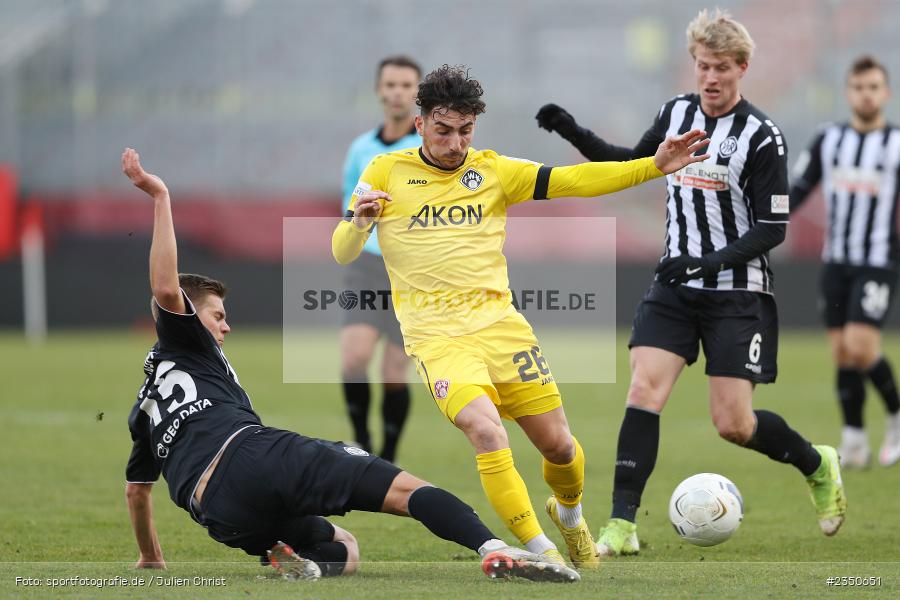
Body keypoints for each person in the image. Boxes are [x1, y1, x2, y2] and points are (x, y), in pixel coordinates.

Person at [120, 147, 579, 584]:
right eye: (218, 315)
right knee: (406, 491)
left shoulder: (142, 408)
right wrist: (160, 197)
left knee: (345, 549)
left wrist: (151, 557)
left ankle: (293, 558)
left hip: (219, 515)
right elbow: (164, 289)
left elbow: (137, 492)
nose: (225, 327)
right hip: (250, 455)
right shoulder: (186, 340)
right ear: (187, 314)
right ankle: (496, 548)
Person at [332, 64, 709, 569]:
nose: (455, 143)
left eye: (465, 131)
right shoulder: (384, 172)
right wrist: (359, 223)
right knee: (487, 432)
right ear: (419, 124)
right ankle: (543, 552)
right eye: (444, 131)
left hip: (502, 330)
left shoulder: (492, 171)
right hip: (438, 341)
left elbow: (574, 179)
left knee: (560, 449)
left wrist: (651, 165)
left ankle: (569, 515)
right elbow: (342, 251)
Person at [535, 8, 847, 556]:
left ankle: (816, 463)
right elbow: (632, 163)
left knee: (733, 423)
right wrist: (573, 131)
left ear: (742, 67)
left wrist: (708, 262)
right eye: (702, 65)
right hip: (675, 286)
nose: (710, 77)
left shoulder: (762, 137)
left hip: (737, 291)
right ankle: (622, 524)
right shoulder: (676, 112)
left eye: (721, 67)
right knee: (643, 390)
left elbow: (773, 227)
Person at [791, 55, 900, 468]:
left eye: (874, 87)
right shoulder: (829, 139)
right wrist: (768, 216)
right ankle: (854, 440)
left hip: (877, 261)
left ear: (885, 93)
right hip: (835, 260)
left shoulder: (896, 144)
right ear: (848, 92)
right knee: (841, 353)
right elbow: (799, 187)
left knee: (860, 345)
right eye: (859, 87)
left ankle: (895, 415)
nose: (866, 94)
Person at [339, 56, 422, 462]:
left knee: (394, 372)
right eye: (390, 84)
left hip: (409, 269)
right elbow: (349, 207)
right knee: (353, 358)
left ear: (418, 93)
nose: (397, 92)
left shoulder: (427, 148)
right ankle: (361, 439)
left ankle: (387, 455)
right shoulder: (362, 149)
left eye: (406, 85)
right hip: (367, 266)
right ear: (379, 90)